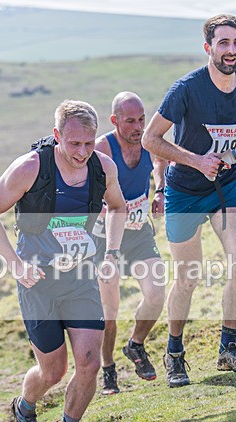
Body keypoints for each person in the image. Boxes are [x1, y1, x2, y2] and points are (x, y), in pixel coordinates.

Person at [0, 100, 126, 422]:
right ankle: (25, 406)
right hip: (38, 283)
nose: (82, 152)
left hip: (80, 279)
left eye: (89, 143)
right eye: (74, 144)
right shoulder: (29, 168)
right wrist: (15, 264)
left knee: (89, 363)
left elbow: (118, 207)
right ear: (57, 135)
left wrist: (112, 253)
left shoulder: (102, 168)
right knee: (52, 372)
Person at [141, 14, 236, 387]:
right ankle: (174, 354)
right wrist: (196, 160)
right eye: (223, 43)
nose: (231, 50)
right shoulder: (186, 89)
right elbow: (150, 139)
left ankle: (228, 348)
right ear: (208, 48)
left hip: (226, 185)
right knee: (188, 277)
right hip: (184, 189)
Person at [93, 91, 168, 394]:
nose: (138, 127)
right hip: (105, 239)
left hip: (137, 233)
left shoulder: (147, 140)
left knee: (156, 294)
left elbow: (161, 160)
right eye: (130, 121)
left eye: (141, 119)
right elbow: (84, 183)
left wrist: (160, 190)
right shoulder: (102, 148)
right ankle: (108, 369)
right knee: (109, 313)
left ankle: (135, 345)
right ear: (114, 121)